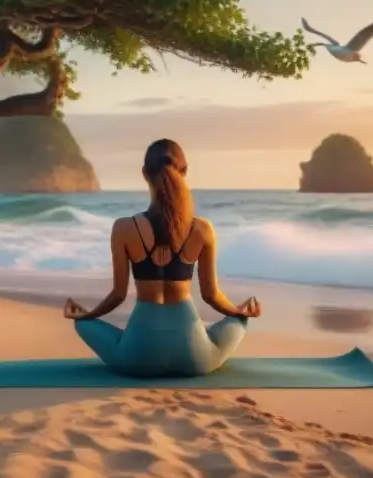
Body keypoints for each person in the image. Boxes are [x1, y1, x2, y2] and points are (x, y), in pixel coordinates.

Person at [64, 138, 262, 377]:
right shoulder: (202, 229)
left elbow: (118, 295)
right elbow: (210, 295)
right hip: (194, 359)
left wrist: (88, 315)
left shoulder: (124, 228)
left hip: (137, 359)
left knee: (83, 323)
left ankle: (104, 330)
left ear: (145, 173)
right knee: (238, 321)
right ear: (185, 171)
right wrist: (238, 311)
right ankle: (229, 324)